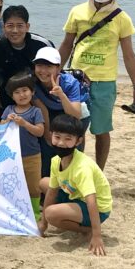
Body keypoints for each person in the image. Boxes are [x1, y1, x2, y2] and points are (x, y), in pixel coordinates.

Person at [58, 0, 135, 171]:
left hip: (105, 82)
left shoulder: (122, 18)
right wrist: (55, 72)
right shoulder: (77, 11)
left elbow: (129, 55)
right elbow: (66, 44)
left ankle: (98, 172)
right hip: (76, 80)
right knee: (75, 128)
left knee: (101, 130)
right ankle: (75, 171)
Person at [39, 114, 112, 256]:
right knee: (44, 183)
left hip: (99, 208)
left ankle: (87, 230)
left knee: (51, 214)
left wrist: (97, 235)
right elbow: (52, 191)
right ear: (51, 135)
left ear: (78, 141)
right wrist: (43, 224)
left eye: (68, 139)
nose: (61, 143)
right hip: (76, 196)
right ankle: (73, 218)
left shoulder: (82, 167)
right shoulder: (56, 160)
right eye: (57, 137)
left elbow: (92, 201)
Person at [32, 47, 90, 178]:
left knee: (71, 146)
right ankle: (47, 185)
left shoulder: (69, 82)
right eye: (39, 66)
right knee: (48, 146)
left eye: (48, 66)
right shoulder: (33, 82)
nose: (43, 71)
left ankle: (75, 179)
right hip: (51, 112)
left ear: (58, 68)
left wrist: (61, 94)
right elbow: (43, 110)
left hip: (76, 113)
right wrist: (47, 135)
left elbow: (75, 114)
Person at [0, 5, 53, 111]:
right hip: (4, 98)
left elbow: (55, 69)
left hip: (37, 97)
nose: (15, 30)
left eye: (20, 26)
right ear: (3, 26)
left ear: (27, 26)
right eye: (10, 26)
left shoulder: (42, 44)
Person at [0, 71, 45, 218]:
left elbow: (40, 131)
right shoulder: (8, 110)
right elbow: (0, 129)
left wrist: (24, 123)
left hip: (32, 155)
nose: (22, 95)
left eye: (25, 90)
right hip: (11, 156)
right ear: (11, 96)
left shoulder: (35, 111)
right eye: (17, 92)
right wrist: (7, 121)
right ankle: (13, 210)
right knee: (12, 185)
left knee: (33, 186)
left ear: (32, 92)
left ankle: (35, 213)